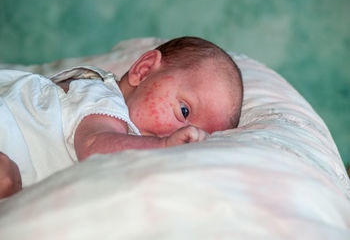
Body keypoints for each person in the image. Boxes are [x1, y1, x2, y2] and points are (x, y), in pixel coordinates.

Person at [0, 36, 243, 199]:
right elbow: (95, 145)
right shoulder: (103, 97)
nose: (180, 135)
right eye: (184, 111)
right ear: (144, 70)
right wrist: (163, 146)